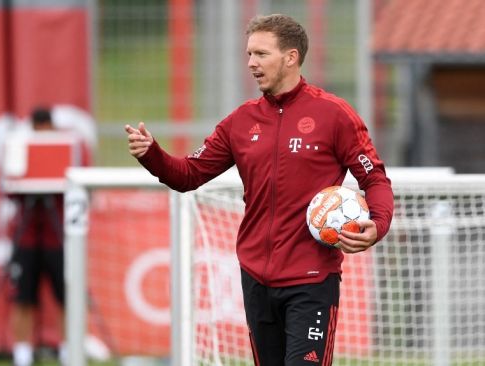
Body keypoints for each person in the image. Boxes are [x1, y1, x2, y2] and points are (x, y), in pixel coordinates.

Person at [125, 14, 393, 365]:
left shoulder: (334, 115)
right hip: (255, 279)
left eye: (261, 54)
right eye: (249, 54)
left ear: (291, 57)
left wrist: (378, 224)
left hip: (311, 280)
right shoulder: (240, 121)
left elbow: (375, 179)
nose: (251, 63)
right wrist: (153, 155)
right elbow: (188, 174)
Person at [8, 107, 109, 366]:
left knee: (66, 296)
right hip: (27, 235)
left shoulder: (69, 147)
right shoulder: (19, 147)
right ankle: (22, 354)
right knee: (23, 298)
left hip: (59, 236)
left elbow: (82, 182)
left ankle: (68, 350)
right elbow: (10, 188)